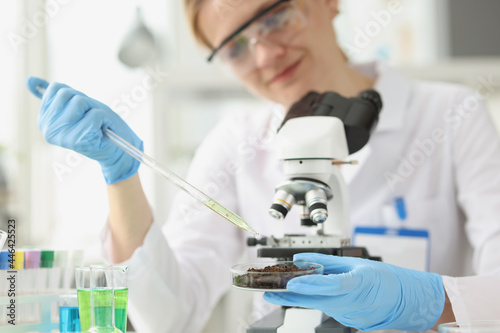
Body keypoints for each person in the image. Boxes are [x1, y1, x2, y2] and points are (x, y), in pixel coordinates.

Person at [26, 0, 500, 332]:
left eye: (275, 17)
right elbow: (169, 317)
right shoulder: (234, 143)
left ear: (328, 2)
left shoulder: (449, 116)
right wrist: (121, 176)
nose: (266, 55)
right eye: (234, 47)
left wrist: (428, 302)